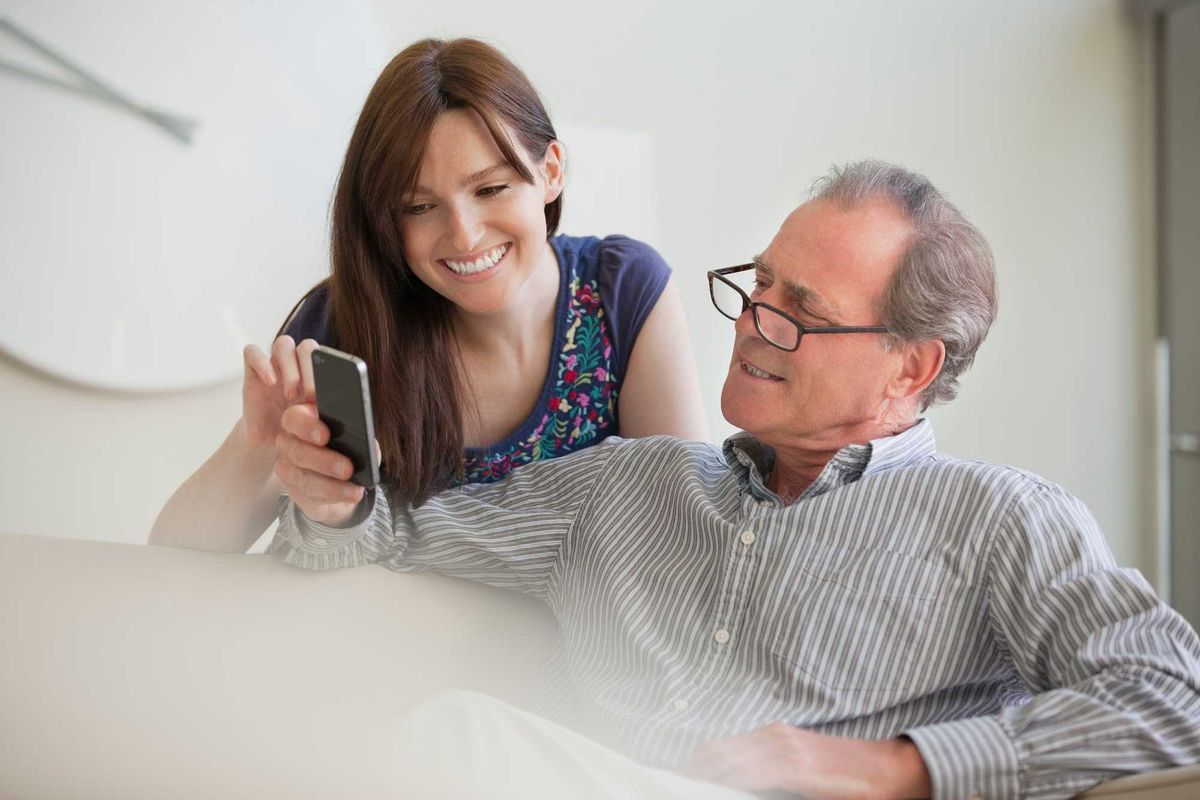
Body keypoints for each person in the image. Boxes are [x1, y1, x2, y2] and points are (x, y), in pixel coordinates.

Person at [267, 161, 1200, 799]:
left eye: (803, 311)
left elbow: (1173, 701)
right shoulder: (623, 487)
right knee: (447, 738)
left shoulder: (998, 519)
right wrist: (327, 492)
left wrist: (896, 768)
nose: (752, 323)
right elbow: (389, 537)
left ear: (911, 368)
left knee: (460, 738)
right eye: (759, 287)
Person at [149, 38, 707, 552]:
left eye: (490, 189)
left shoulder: (624, 292)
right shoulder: (347, 325)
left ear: (551, 171)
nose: (463, 236)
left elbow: (685, 536)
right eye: (419, 206)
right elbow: (173, 558)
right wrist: (256, 447)